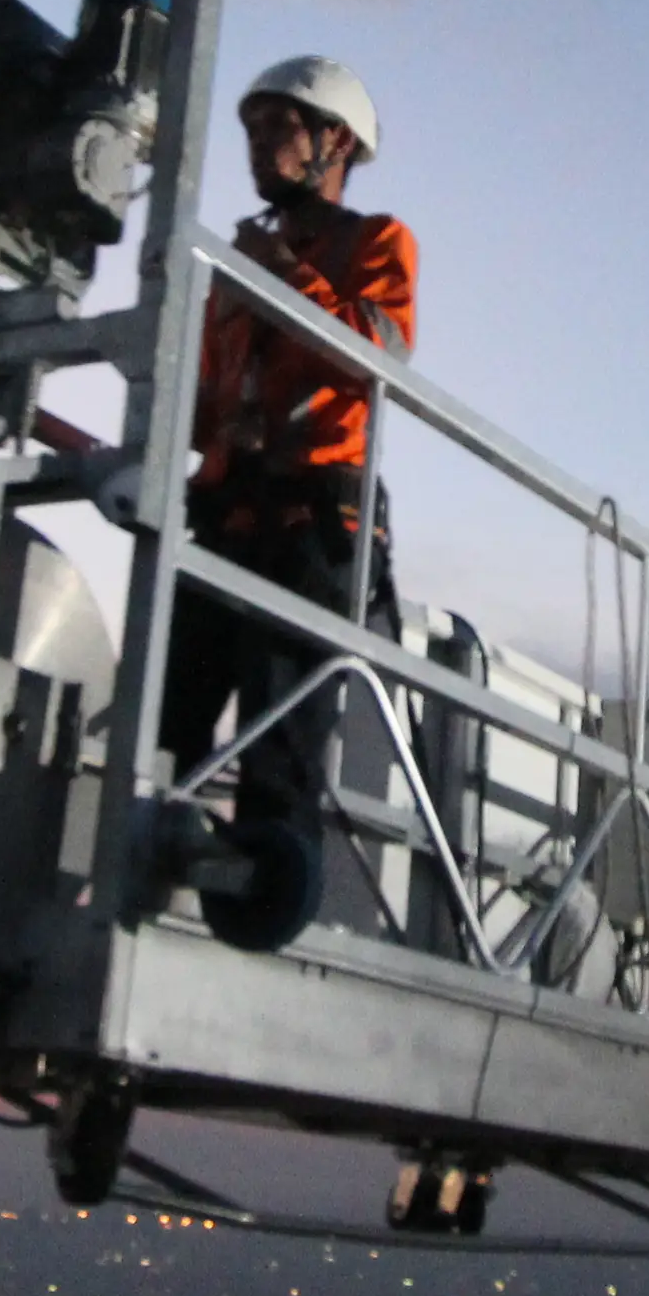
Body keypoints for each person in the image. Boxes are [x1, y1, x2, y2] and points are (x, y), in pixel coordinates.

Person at [160, 57, 415, 855]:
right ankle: (160, 843)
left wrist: (278, 273)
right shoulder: (237, 266)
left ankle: (266, 882)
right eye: (252, 129)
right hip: (228, 517)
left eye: (280, 127)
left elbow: (377, 352)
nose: (258, 144)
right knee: (167, 716)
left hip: (313, 526)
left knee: (279, 740)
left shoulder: (377, 241)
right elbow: (208, 397)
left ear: (334, 142)